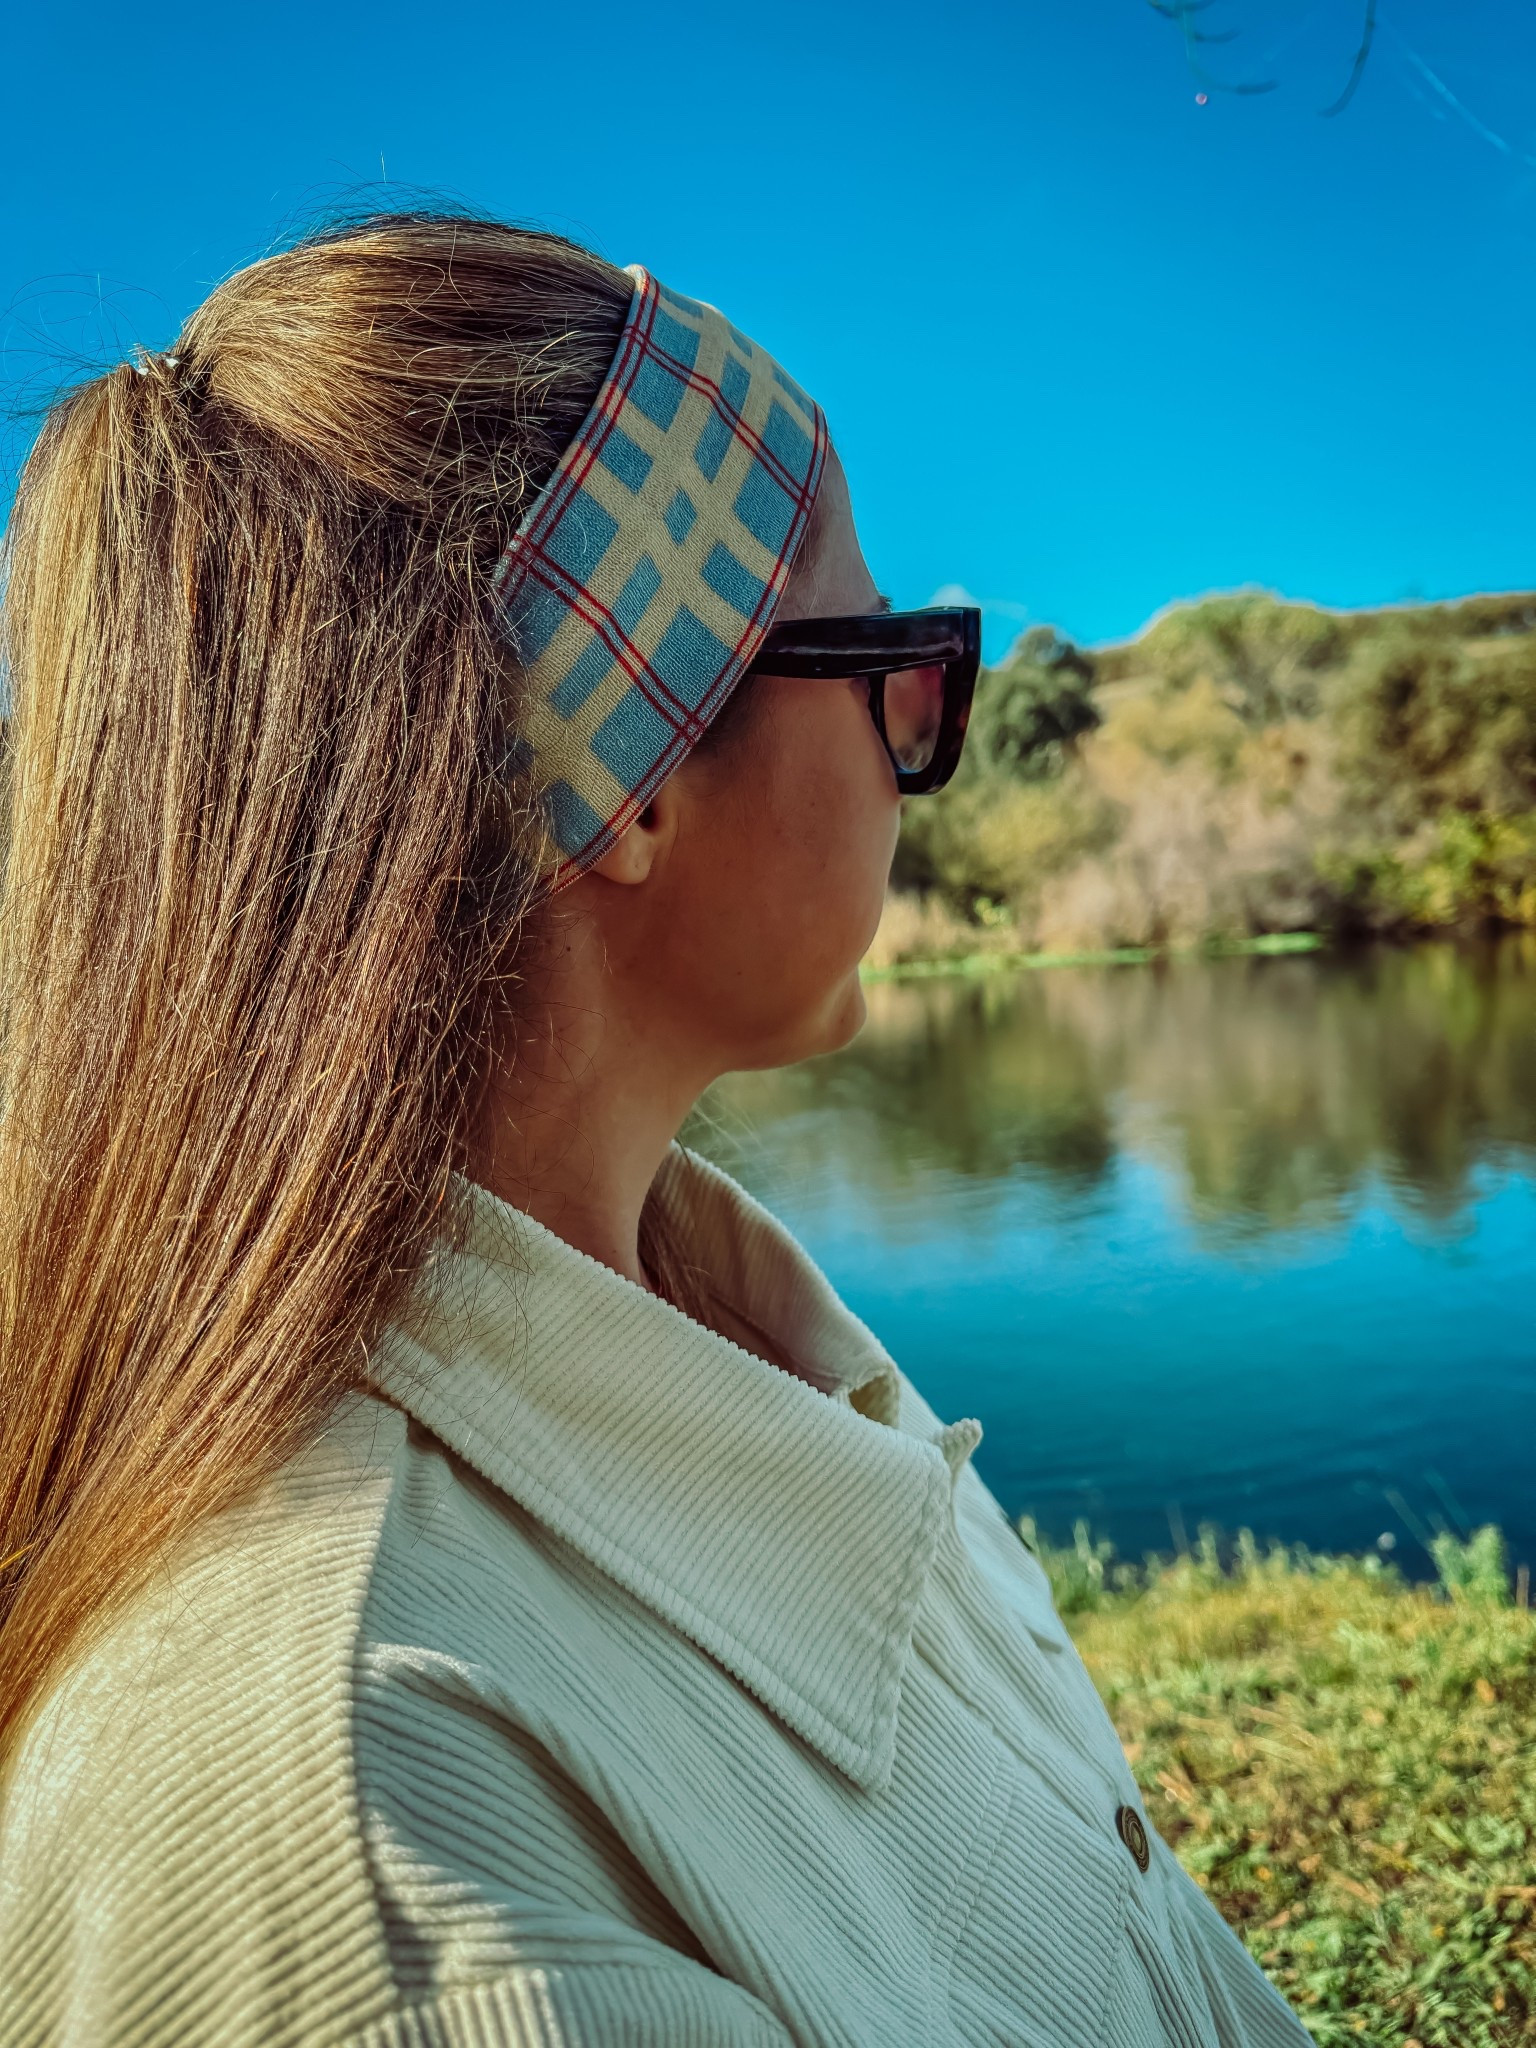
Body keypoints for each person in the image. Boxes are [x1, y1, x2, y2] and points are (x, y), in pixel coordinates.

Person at [0, 212, 1309, 2048]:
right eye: (895, 665)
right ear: (627, 780)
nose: (914, 739)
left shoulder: (730, 1340)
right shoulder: (393, 1843)